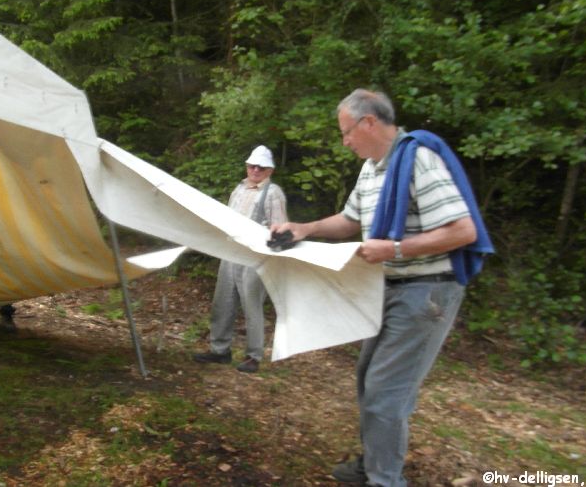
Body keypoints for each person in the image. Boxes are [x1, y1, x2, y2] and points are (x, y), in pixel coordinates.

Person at [272, 89, 492, 486]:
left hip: (426, 291)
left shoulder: (418, 159)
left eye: (346, 132)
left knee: (385, 391)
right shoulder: (373, 167)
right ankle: (376, 462)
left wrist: (394, 248)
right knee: (369, 379)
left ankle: (384, 479)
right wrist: (305, 228)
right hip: (387, 288)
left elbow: (463, 231)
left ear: (369, 122)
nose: (345, 141)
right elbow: (349, 220)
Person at [193, 145, 288, 373]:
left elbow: (280, 229)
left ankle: (253, 356)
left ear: (269, 170)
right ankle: (219, 350)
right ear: (247, 166)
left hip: (256, 256)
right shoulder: (239, 189)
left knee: (251, 306)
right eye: (252, 165)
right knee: (223, 301)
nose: (255, 169)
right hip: (231, 252)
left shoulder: (273, 193)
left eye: (261, 167)